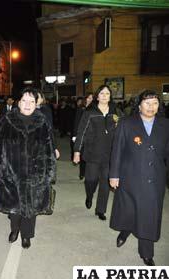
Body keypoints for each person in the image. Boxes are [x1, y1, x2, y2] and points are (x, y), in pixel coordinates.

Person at [0, 87, 56, 249]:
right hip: (11, 173)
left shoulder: (42, 122)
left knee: (30, 209)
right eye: (24, 100)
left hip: (35, 174)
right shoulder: (7, 120)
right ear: (19, 103)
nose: (27, 104)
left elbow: (49, 149)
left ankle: (27, 235)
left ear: (36, 104)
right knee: (14, 209)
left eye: (31, 101)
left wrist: (49, 174)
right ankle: (14, 230)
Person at [109, 90, 169, 266]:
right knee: (130, 209)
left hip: (155, 178)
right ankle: (126, 230)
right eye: (147, 103)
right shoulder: (126, 123)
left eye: (155, 103)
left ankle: (146, 252)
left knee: (149, 214)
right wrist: (114, 175)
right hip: (131, 176)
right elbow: (117, 151)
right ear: (139, 105)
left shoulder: (166, 125)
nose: (151, 107)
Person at [73, 85, 120, 221]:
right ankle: (89, 195)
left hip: (109, 154)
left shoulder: (115, 112)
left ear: (110, 96)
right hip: (92, 153)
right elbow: (81, 132)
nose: (105, 96)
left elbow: (121, 131)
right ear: (97, 96)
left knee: (105, 183)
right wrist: (77, 151)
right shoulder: (90, 112)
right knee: (90, 180)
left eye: (107, 93)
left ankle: (100, 210)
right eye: (102, 93)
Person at [72, 93, 93, 179]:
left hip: (91, 136)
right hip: (82, 135)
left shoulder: (95, 109)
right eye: (89, 97)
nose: (90, 99)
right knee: (83, 154)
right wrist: (75, 135)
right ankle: (82, 173)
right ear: (86, 99)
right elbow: (77, 122)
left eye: (92, 98)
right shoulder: (81, 108)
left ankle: (89, 173)